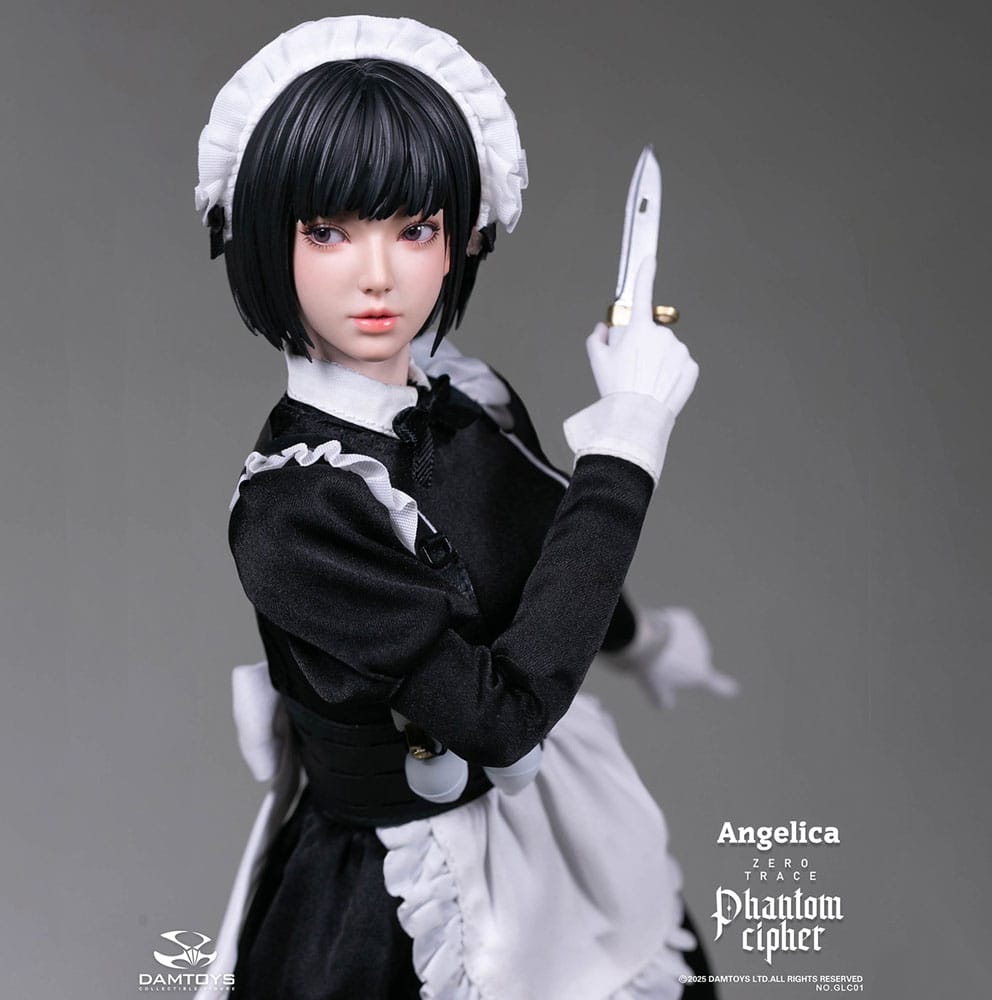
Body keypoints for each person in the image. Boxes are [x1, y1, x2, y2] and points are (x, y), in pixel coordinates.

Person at [194, 15, 735, 999]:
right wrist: (626, 443)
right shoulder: (296, 511)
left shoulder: (460, 396)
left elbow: (533, 560)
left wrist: (643, 638)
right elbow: (500, 719)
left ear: (461, 237)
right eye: (327, 230)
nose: (376, 274)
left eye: (414, 228)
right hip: (392, 900)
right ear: (268, 237)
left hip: (557, 834)